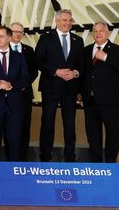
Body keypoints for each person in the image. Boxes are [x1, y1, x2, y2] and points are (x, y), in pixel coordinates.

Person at [35, 9, 84, 162]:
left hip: (70, 88)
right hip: (50, 87)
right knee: (47, 122)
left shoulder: (78, 40)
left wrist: (75, 73)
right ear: (56, 21)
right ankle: (45, 156)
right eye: (64, 20)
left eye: (70, 20)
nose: (67, 23)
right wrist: (55, 71)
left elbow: (82, 64)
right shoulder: (45, 38)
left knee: (69, 124)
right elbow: (38, 61)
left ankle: (70, 156)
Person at [81, 22, 119, 163]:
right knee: (93, 136)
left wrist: (106, 57)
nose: (98, 33)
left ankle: (110, 166)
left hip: (110, 101)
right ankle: (96, 166)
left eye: (101, 31)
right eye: (95, 31)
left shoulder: (118, 50)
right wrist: (80, 92)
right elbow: (83, 73)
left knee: (112, 135)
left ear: (107, 33)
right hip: (90, 101)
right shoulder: (86, 50)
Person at [0, 26, 29, 161]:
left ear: (9, 38)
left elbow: (25, 79)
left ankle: (13, 171)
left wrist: (10, 84)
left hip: (15, 106)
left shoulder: (19, 57)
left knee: (14, 144)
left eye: (1, 36)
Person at [10, 21, 38, 160]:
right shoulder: (3, 49)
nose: (18, 34)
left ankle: (23, 158)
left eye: (20, 32)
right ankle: (10, 157)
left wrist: (22, 85)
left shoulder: (29, 50)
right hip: (7, 95)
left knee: (25, 126)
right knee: (10, 126)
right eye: (15, 31)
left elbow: (34, 72)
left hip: (25, 94)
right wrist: (13, 85)